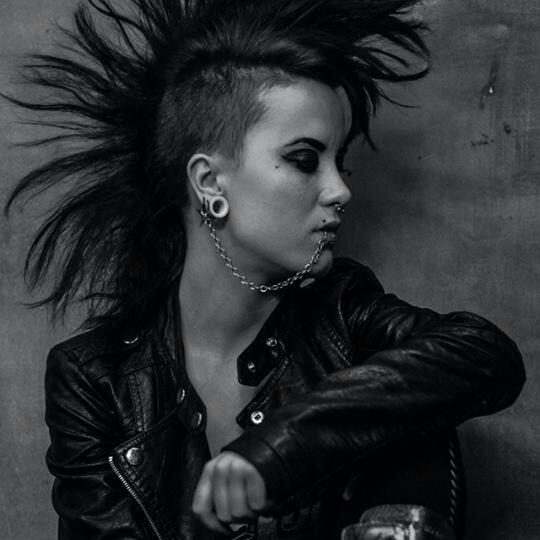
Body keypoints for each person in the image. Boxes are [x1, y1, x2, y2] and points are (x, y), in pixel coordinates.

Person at [4, 0, 525, 539]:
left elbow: (484, 354)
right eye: (305, 160)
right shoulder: (95, 379)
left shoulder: (344, 319)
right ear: (210, 183)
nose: (340, 190)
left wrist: (281, 449)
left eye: (340, 163)